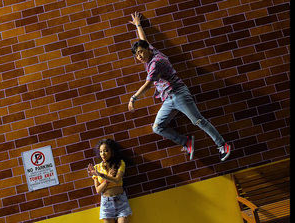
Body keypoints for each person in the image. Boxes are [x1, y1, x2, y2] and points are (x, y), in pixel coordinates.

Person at [127, 12, 231, 162]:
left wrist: (133, 98)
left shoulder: (156, 62)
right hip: (168, 100)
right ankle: (186, 141)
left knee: (199, 121)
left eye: (141, 52)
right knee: (157, 128)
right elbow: (143, 39)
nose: (140, 56)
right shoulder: (151, 53)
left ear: (147, 50)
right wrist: (138, 25)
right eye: (137, 55)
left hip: (179, 94)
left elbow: (148, 84)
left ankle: (223, 145)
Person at [87, 138, 132, 223]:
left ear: (112, 151)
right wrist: (107, 179)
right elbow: (98, 190)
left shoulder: (120, 163)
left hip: (121, 201)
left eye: (106, 151)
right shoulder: (96, 168)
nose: (103, 154)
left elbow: (117, 180)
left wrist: (101, 175)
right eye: (101, 151)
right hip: (106, 204)